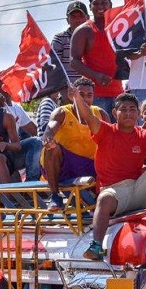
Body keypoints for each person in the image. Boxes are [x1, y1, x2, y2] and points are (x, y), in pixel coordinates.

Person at [73, 92, 146, 261]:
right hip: (115, 193)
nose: (128, 113)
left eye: (132, 109)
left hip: (138, 189)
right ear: (114, 113)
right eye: (123, 109)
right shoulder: (105, 130)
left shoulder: (143, 134)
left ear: (138, 114)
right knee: (104, 199)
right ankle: (97, 245)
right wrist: (76, 96)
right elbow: (88, 116)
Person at [40, 77, 110, 210]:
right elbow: (49, 128)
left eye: (89, 95)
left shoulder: (100, 113)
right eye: (81, 95)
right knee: (51, 149)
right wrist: (48, 137)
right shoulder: (61, 112)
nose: (85, 99)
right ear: (72, 96)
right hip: (63, 165)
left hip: (89, 165)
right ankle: (55, 196)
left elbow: (111, 140)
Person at [70, 0, 123, 120]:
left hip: (118, 94)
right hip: (93, 96)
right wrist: (96, 76)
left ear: (110, 5)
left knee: (118, 137)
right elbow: (73, 61)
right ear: (90, 7)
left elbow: (129, 54)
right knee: (95, 136)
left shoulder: (120, 27)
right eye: (96, 3)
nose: (100, 6)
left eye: (104, 3)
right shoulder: (84, 31)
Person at [0, 77, 44, 182]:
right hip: (0, 153)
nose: (6, 87)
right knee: (37, 142)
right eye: (2, 85)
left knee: (40, 142)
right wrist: (1, 106)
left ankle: (34, 183)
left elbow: (35, 131)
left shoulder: (17, 108)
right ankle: (31, 184)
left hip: (15, 150)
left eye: (9, 83)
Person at [53, 1, 90, 82]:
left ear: (88, 18)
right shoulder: (60, 39)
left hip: (91, 89)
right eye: (73, 17)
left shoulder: (95, 37)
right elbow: (54, 66)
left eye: (81, 16)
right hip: (68, 89)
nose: (78, 20)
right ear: (67, 20)